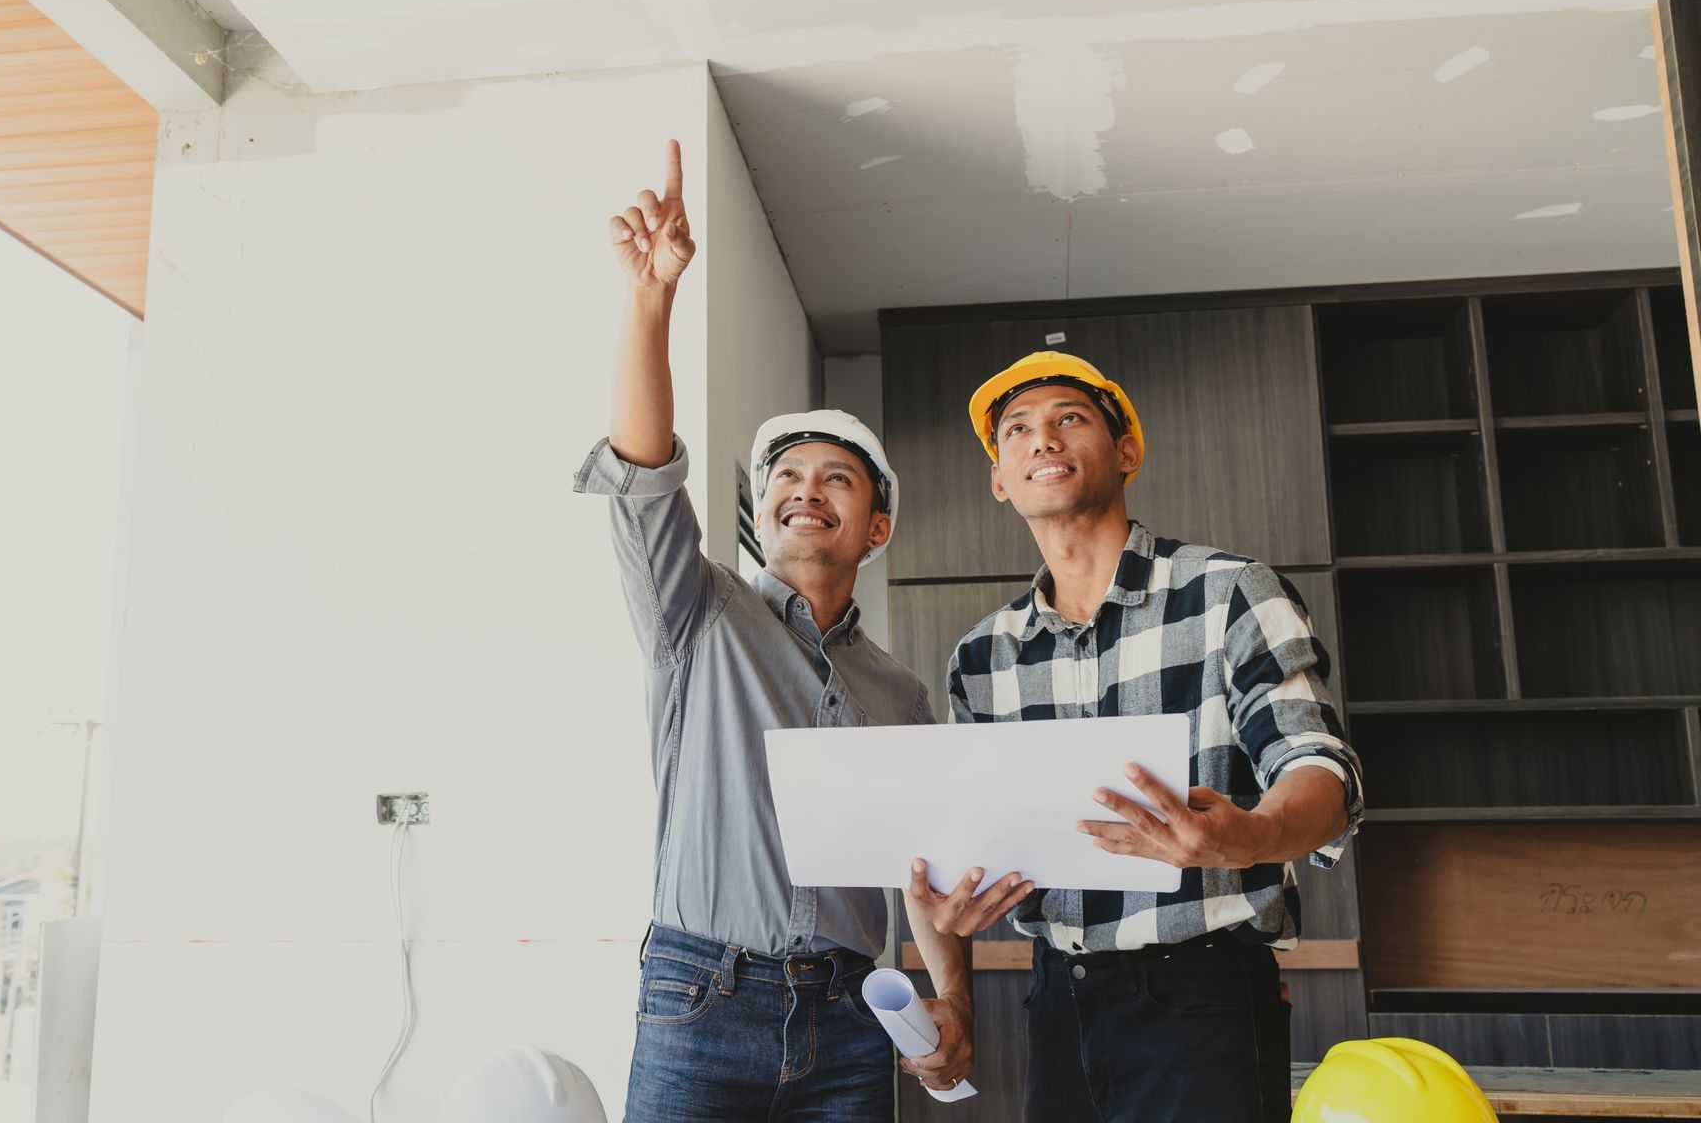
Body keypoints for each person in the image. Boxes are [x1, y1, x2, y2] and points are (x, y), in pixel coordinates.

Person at [575, 141, 1028, 1121]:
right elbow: (644, 473)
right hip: (702, 998)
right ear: (763, 512)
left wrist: (951, 999)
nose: (803, 488)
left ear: (877, 526)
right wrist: (651, 295)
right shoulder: (695, 614)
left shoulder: (901, 695)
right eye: (785, 475)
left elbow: (926, 874)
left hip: (853, 1019)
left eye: (835, 477)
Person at [900, 351, 1364, 1123]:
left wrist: (1248, 836)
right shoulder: (983, 656)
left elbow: (1321, 768)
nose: (1041, 440)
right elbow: (960, 847)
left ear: (1127, 453)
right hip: (1058, 999)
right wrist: (952, 941)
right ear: (1000, 480)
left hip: (1205, 998)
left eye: (1068, 419)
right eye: (1016, 431)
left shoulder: (1228, 592)